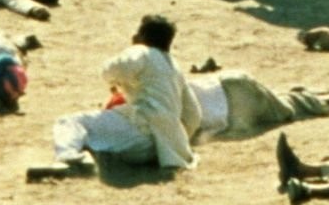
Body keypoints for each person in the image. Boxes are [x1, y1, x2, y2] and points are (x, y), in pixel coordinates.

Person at [32, 13, 202, 179]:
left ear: (142, 35)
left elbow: (110, 71)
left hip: (138, 136)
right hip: (161, 151)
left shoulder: (141, 51)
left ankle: (69, 159)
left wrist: (132, 51)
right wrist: (173, 140)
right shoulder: (175, 66)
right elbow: (193, 114)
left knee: (70, 121)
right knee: (102, 133)